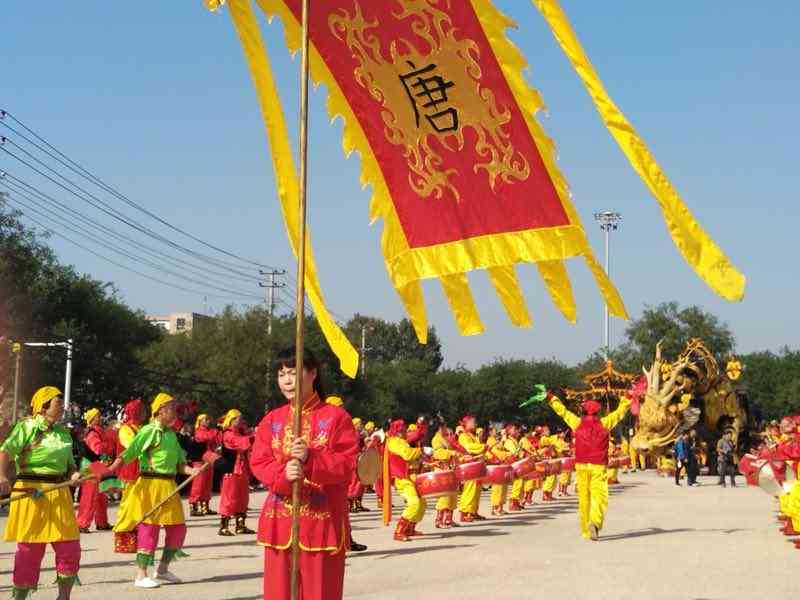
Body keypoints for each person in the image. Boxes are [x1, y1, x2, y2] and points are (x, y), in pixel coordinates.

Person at [249, 347, 359, 600]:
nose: (287, 380)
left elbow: (346, 465)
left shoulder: (336, 418)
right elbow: (260, 461)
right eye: (281, 374)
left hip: (322, 521)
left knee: (319, 593)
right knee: (279, 594)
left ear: (312, 373)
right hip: (280, 521)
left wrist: (312, 458)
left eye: (293, 372)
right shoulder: (272, 420)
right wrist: (283, 474)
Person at [0, 387, 83, 600]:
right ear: (43, 406)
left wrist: (74, 475)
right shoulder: (26, 427)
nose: (63, 407)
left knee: (70, 548)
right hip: (31, 492)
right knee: (30, 551)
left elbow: (70, 465)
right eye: (57, 403)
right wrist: (1, 476)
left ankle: (63, 597)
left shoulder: (64, 433)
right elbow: (6, 451)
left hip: (59, 493)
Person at [109, 393, 198, 589]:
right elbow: (130, 452)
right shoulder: (149, 431)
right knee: (149, 530)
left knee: (178, 530)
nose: (175, 412)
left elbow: (180, 464)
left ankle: (163, 569)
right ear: (161, 411)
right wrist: (111, 468)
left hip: (169, 486)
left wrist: (193, 470)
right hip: (150, 485)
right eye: (172, 408)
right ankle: (141, 575)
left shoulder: (170, 434)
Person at [544, 391, 631, 541]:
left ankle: (586, 530)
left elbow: (563, 412)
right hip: (598, 466)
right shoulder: (605, 423)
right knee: (599, 497)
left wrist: (551, 398)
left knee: (584, 498)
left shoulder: (577, 423)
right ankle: (595, 523)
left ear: (584, 411)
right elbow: (620, 412)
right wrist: (627, 399)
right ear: (598, 412)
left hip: (582, 465)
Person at [217, 409, 256, 536]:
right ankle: (224, 526)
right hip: (231, 469)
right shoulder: (228, 434)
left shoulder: (240, 433)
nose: (241, 420)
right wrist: (254, 435)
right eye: (238, 418)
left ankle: (240, 525)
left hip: (242, 468)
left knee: (243, 497)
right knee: (229, 497)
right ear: (232, 420)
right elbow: (242, 444)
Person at [76, 407, 113, 532]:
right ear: (91, 419)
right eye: (97, 416)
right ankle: (82, 523)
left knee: (102, 495)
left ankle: (102, 522)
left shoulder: (99, 431)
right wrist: (109, 445)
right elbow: (97, 449)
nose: (100, 417)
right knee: (89, 495)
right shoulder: (92, 433)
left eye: (99, 415)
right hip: (90, 465)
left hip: (97, 464)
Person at [189, 413, 220, 517]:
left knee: (207, 484)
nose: (208, 421)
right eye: (205, 419)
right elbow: (206, 437)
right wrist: (216, 432)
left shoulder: (210, 431)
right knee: (198, 484)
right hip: (199, 460)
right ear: (200, 421)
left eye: (208, 419)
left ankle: (205, 507)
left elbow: (217, 439)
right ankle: (193, 507)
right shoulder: (198, 431)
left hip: (209, 460)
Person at [458, 415, 487, 522]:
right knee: (470, 489)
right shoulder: (463, 436)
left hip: (476, 466)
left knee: (477, 490)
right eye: (473, 422)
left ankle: (473, 511)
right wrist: (482, 447)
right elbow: (469, 447)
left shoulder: (472, 435)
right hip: (469, 466)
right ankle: (465, 512)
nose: (475, 424)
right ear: (466, 424)